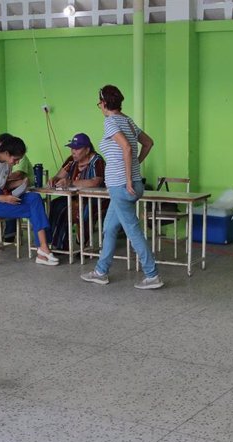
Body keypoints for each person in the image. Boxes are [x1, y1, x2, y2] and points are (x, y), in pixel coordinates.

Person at [80, 85, 163, 289]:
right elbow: (149, 143)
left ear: (105, 103)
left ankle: (152, 274)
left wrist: (127, 178)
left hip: (122, 186)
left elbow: (126, 147)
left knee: (133, 231)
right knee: (109, 229)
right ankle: (101, 271)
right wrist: (136, 166)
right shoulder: (128, 121)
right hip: (130, 185)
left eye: (99, 103)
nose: (99, 106)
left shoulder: (110, 122)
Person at [0, 135, 59, 266]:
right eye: (16, 159)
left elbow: (3, 186)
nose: (17, 162)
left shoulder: (7, 164)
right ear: (7, 153)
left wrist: (20, 183)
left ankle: (43, 248)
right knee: (32, 209)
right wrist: (1, 198)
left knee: (35, 199)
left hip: (2, 197)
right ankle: (43, 249)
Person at [48, 133, 105, 250]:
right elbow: (59, 175)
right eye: (72, 148)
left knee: (82, 210)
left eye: (77, 149)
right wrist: (54, 180)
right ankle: (59, 245)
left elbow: (96, 182)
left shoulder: (97, 161)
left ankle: (84, 244)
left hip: (95, 198)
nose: (73, 152)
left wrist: (71, 182)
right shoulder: (71, 161)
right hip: (75, 197)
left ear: (87, 150)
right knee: (56, 205)